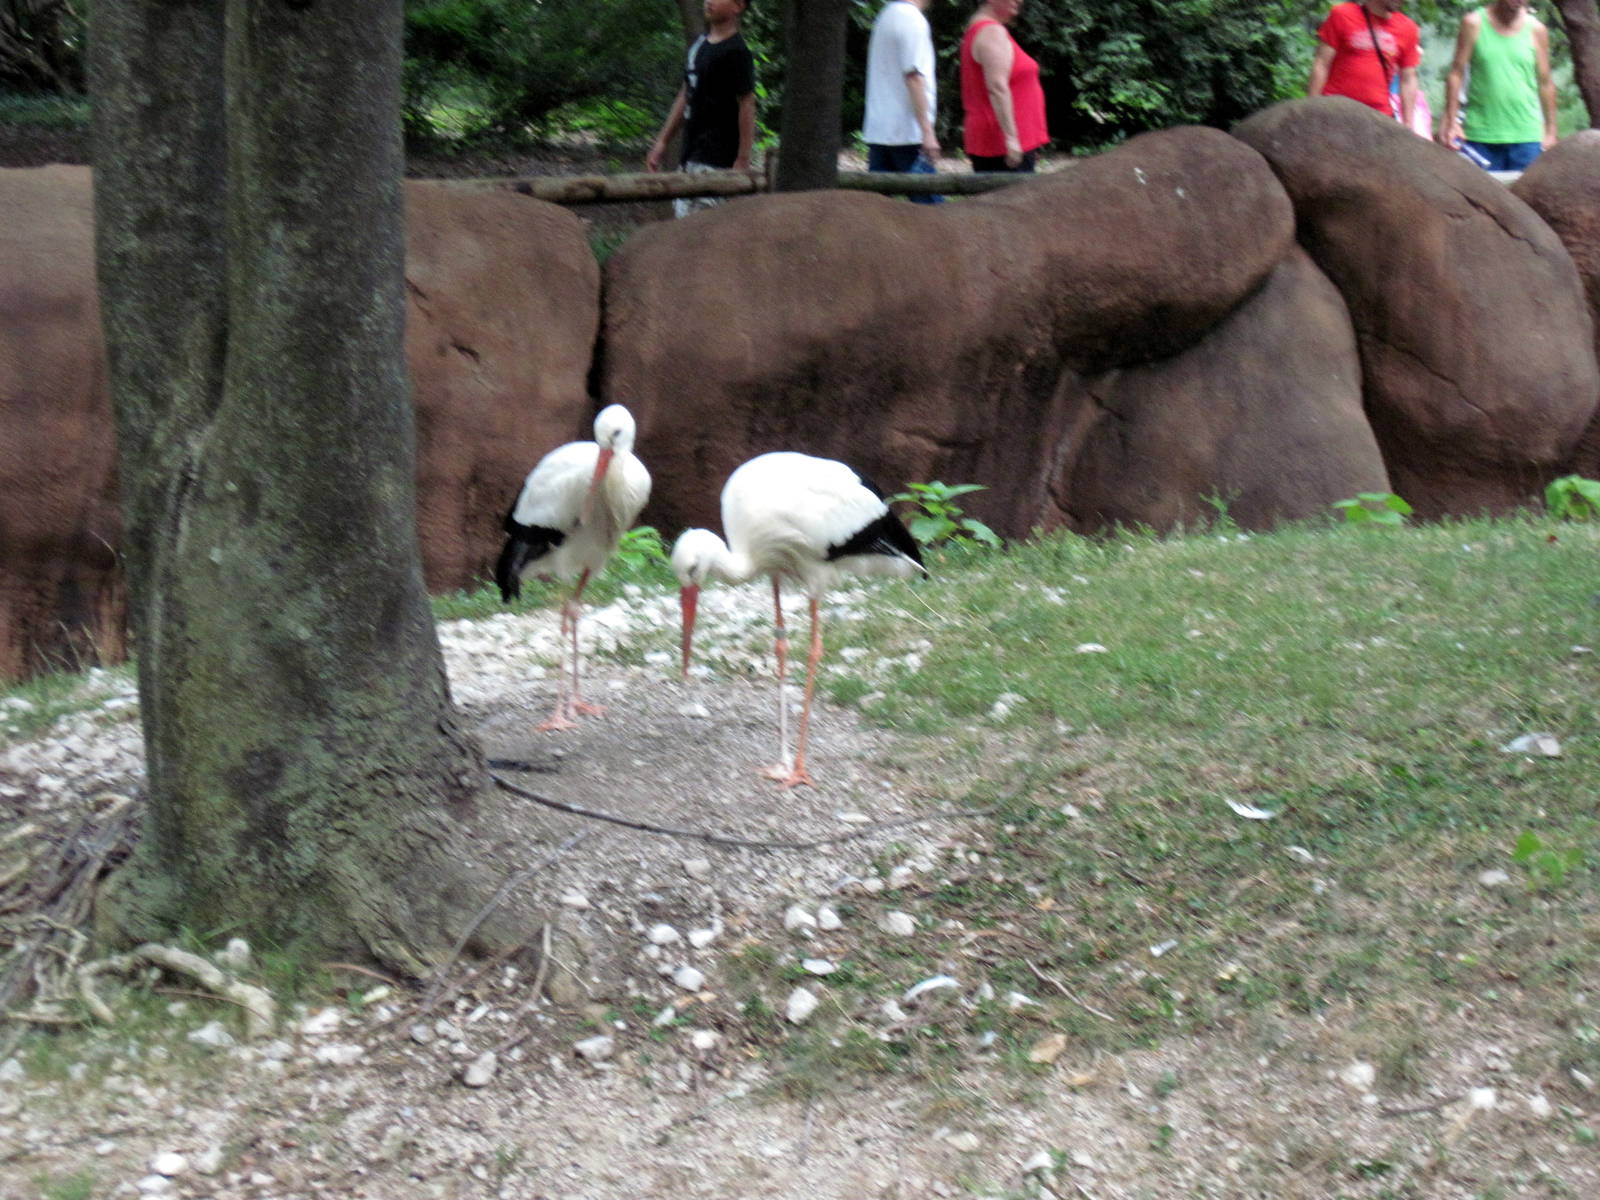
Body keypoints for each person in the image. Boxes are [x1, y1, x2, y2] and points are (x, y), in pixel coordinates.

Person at [646, 0, 756, 217]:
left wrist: (742, 158)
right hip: (690, 156)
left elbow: (747, 103)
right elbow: (686, 93)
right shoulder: (698, 46)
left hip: (718, 160)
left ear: (738, 6)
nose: (709, 1)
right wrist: (662, 142)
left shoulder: (737, 52)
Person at [1437, 0, 1558, 171]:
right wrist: (1451, 122)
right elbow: (1456, 74)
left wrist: (1551, 131)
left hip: (1527, 137)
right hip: (1480, 135)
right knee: (1481, 196)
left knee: (1526, 198)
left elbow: (1546, 83)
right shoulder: (1473, 23)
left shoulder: (1537, 30)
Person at [863, 0, 942, 204]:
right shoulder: (912, 20)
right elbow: (914, 76)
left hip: (880, 131)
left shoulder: (885, 16)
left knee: (877, 212)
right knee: (932, 212)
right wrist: (927, 132)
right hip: (908, 133)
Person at [960, 0, 1048, 172]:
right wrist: (1012, 139)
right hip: (1001, 145)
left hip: (1003, 142)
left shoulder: (981, 29)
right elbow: (997, 87)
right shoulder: (991, 32)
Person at [1307, 0, 1420, 130]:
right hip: (1335, 111)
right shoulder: (1342, 14)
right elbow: (1321, 64)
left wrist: (1408, 123)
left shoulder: (1408, 28)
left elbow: (1408, 79)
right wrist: (1311, 109)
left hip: (1379, 117)